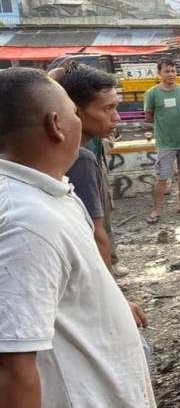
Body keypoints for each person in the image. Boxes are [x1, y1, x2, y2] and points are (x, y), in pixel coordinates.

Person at [0, 68, 156, 407]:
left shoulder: (50, 192)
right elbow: (13, 366)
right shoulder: (28, 222)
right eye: (73, 111)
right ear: (57, 124)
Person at [53, 65, 121, 275]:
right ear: (77, 111)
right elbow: (96, 234)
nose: (116, 117)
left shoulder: (51, 152)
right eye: (107, 108)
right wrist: (112, 295)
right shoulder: (80, 159)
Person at [144, 57, 180, 224]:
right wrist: (163, 127)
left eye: (173, 71)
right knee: (162, 177)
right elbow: (149, 116)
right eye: (167, 71)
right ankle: (156, 209)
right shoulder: (152, 93)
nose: (171, 74)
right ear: (159, 73)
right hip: (165, 143)